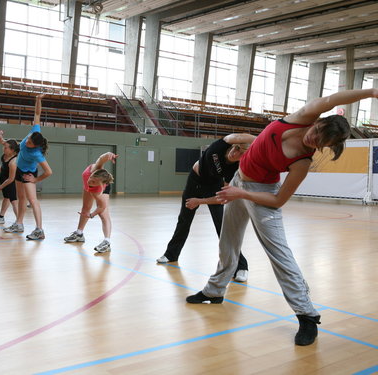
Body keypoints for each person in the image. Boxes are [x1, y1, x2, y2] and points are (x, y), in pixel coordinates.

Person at [186, 88, 378, 346]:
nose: (314, 140)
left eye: (321, 143)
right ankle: (214, 290)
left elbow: (278, 200)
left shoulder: (302, 162)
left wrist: (240, 193)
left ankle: (307, 315)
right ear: (318, 121)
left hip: (262, 193)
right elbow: (334, 99)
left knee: (280, 253)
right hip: (239, 181)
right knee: (227, 242)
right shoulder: (301, 117)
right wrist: (373, 92)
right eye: (317, 133)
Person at [156, 133, 255, 282]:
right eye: (237, 148)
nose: (236, 153)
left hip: (213, 186)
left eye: (241, 154)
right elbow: (239, 136)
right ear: (234, 145)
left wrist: (200, 201)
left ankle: (241, 266)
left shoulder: (235, 169)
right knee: (184, 220)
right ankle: (171, 254)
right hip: (194, 180)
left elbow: (222, 198)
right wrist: (262, 138)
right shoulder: (221, 146)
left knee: (222, 227)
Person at [3, 93, 52, 240]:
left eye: (30, 142)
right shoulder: (35, 132)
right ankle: (19, 224)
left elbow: (49, 171)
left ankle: (39, 230)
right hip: (19, 170)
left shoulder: (37, 154)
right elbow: (37, 113)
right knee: (21, 199)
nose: (27, 142)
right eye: (28, 139)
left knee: (32, 200)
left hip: (28, 174)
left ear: (35, 146)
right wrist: (37, 100)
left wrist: (35, 180)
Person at [64, 152, 117, 253]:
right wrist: (108, 155)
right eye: (91, 179)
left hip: (99, 190)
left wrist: (92, 215)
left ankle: (107, 242)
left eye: (94, 182)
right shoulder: (95, 169)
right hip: (89, 188)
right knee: (85, 208)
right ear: (93, 174)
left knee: (103, 214)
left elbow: (101, 206)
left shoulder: (98, 190)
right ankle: (79, 234)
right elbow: (101, 159)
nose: (90, 182)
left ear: (100, 184)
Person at [0, 133, 19, 225]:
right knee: (6, 198)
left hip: (10, 183)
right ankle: (1, 217)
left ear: (12, 150)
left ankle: (19, 221)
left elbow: (11, 179)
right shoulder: (5, 155)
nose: (4, 148)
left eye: (6, 148)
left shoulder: (13, 162)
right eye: (4, 147)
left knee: (14, 201)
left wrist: (0, 187)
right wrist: (1, 138)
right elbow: (5, 143)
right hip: (4, 181)